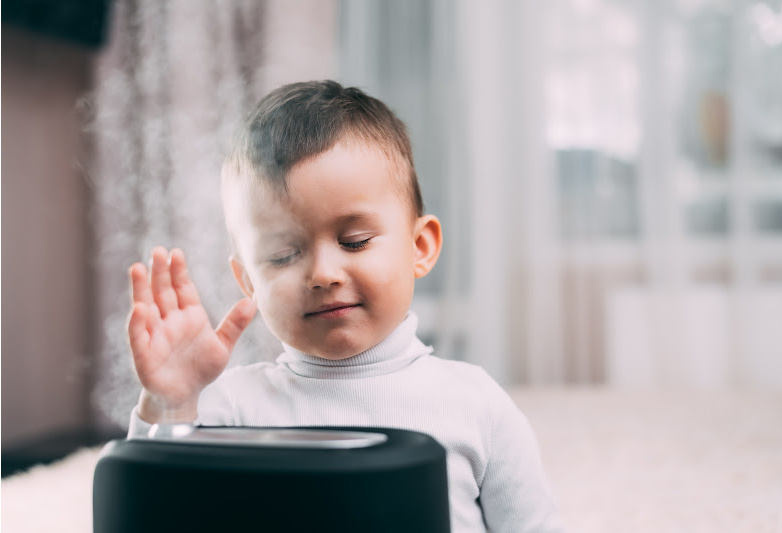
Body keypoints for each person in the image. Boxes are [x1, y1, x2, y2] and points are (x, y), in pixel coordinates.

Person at [126, 80, 564, 532]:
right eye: (282, 255)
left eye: (353, 241)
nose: (323, 274)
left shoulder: (476, 405)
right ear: (248, 281)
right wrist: (170, 403)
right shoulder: (231, 408)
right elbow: (155, 509)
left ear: (420, 246)